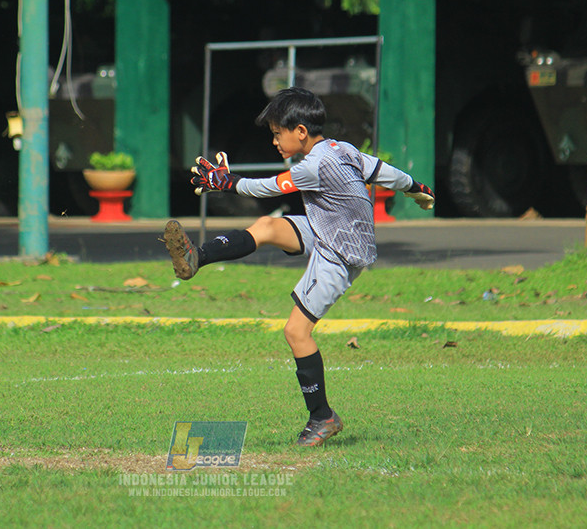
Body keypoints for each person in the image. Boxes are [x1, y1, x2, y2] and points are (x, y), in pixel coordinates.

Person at [163, 87, 435, 446]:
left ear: (301, 132)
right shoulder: (343, 149)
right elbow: (386, 172)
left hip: (340, 251)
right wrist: (416, 188)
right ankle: (197, 258)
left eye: (278, 134)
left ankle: (322, 416)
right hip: (327, 227)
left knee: (296, 332)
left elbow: (269, 187)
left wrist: (225, 182)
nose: (275, 141)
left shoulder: (315, 165)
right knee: (267, 227)